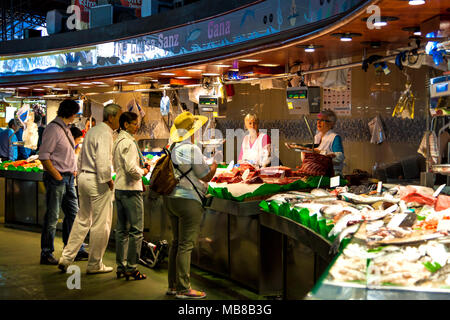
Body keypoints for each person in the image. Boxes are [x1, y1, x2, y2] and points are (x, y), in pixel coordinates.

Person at [58, 104, 122, 274]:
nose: (120, 120)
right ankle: (95, 264)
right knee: (102, 223)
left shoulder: (93, 130)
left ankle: (66, 257)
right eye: (119, 116)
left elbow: (81, 157)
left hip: (83, 177)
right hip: (97, 180)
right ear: (111, 117)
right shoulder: (105, 133)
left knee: (82, 219)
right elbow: (103, 159)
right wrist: (108, 180)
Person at [163, 111, 217, 299]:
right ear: (191, 131)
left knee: (176, 243)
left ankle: (172, 285)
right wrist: (214, 166)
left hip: (171, 199)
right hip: (188, 201)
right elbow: (204, 176)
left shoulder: (173, 147)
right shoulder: (192, 149)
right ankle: (184, 289)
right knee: (186, 245)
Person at [38, 99, 89, 265]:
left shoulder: (66, 129)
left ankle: (74, 249)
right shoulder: (53, 129)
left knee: (74, 215)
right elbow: (44, 156)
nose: (76, 116)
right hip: (57, 178)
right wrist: (57, 176)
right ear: (72, 113)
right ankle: (46, 253)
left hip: (68, 178)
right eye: (76, 113)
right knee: (52, 217)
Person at [113, 112, 149, 280]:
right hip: (130, 190)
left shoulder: (118, 140)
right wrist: (143, 172)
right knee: (136, 230)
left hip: (119, 189)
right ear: (126, 125)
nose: (137, 126)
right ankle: (132, 267)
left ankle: (120, 266)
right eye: (134, 123)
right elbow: (131, 168)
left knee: (121, 230)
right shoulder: (129, 142)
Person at [311, 109, 345, 175]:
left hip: (332, 174)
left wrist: (323, 153)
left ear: (331, 124)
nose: (318, 122)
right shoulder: (317, 137)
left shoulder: (334, 137)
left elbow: (340, 157)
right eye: (318, 120)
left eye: (322, 120)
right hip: (318, 173)